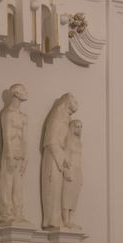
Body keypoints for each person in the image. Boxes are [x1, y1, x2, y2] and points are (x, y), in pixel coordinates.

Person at [40, 93, 77, 230]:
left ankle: (57, 220)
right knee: (52, 187)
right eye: (69, 111)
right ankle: (52, 220)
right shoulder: (56, 118)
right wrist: (62, 158)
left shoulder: (64, 120)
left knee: (58, 190)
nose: (69, 114)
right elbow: (51, 142)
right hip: (53, 157)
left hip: (59, 156)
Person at [0, 83, 30, 226]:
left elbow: (26, 138)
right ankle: (6, 213)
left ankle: (18, 213)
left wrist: (26, 156)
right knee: (7, 181)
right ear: (15, 93)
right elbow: (6, 135)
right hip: (10, 151)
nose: (26, 92)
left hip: (20, 152)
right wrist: (9, 154)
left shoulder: (24, 116)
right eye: (23, 89)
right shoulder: (7, 114)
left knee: (18, 184)